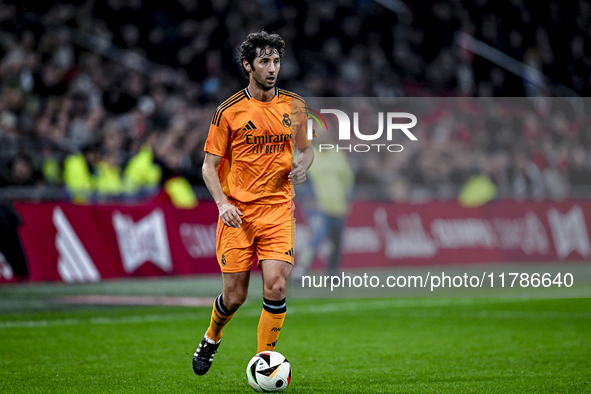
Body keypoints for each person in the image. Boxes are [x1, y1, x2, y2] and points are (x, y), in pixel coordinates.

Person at [192, 31, 314, 376]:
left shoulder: (295, 105)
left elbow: (306, 149)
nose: (272, 68)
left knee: (276, 285)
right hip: (238, 214)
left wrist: (303, 165)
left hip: (278, 210)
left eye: (276, 61)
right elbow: (208, 166)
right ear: (248, 65)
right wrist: (221, 205)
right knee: (234, 297)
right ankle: (212, 335)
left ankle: (266, 362)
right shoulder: (228, 112)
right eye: (264, 61)